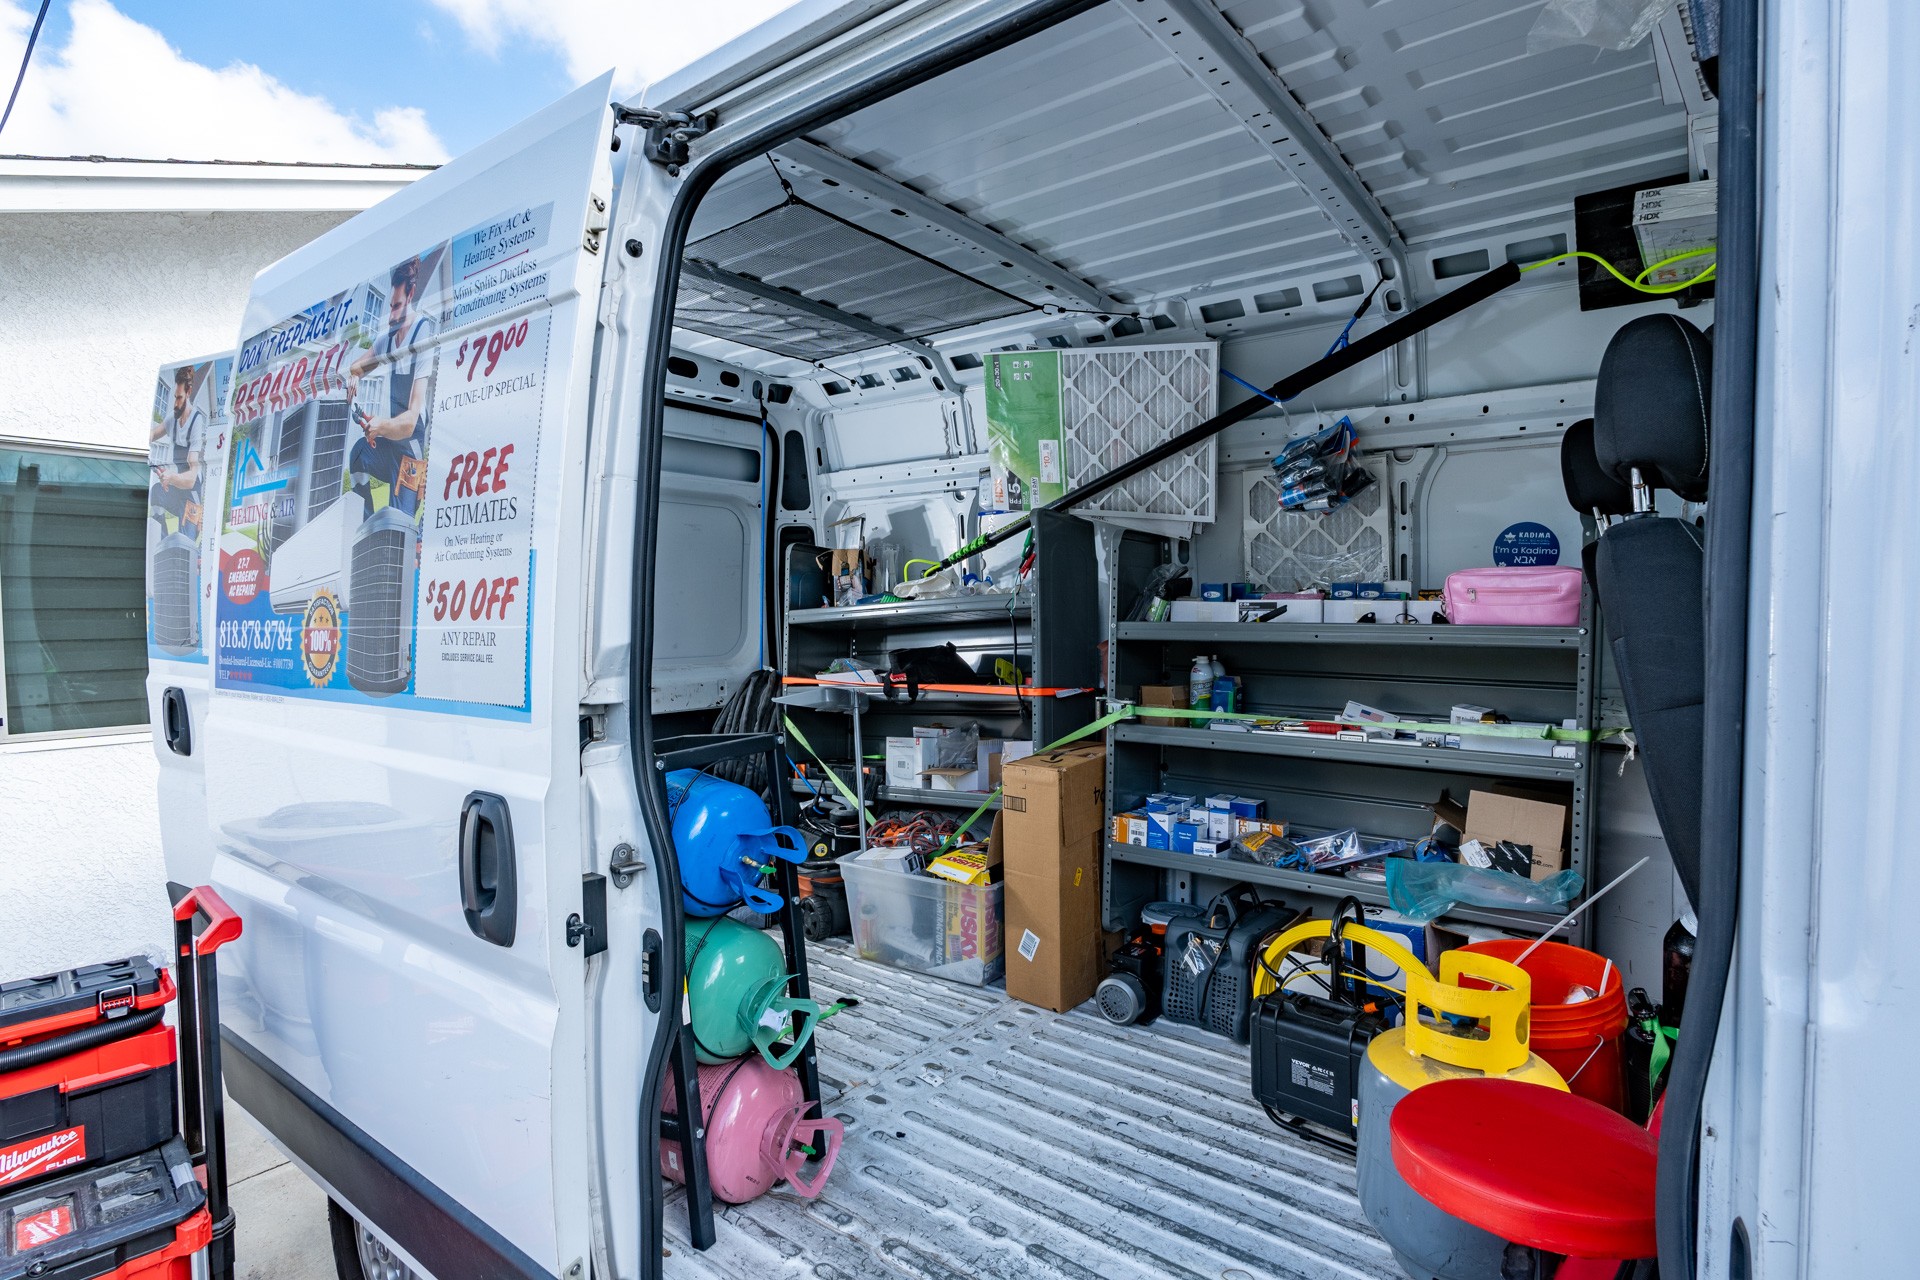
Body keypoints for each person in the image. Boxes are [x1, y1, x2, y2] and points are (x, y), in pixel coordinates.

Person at [348, 256, 438, 518]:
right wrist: (354, 377)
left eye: (397, 306)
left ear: (410, 295)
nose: (392, 315)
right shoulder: (387, 340)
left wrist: (379, 426)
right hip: (389, 444)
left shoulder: (422, 334)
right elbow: (357, 367)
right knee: (357, 457)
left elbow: (409, 423)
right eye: (390, 307)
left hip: (410, 450)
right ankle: (366, 523)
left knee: (398, 524)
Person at [150, 365, 204, 534]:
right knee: (156, 492)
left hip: (191, 494)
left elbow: (190, 480)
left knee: (186, 542)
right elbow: (151, 435)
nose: (175, 403)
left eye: (179, 398)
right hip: (176, 490)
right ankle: (162, 539)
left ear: (188, 393)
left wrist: (171, 477)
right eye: (175, 397)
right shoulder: (172, 419)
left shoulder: (196, 421)